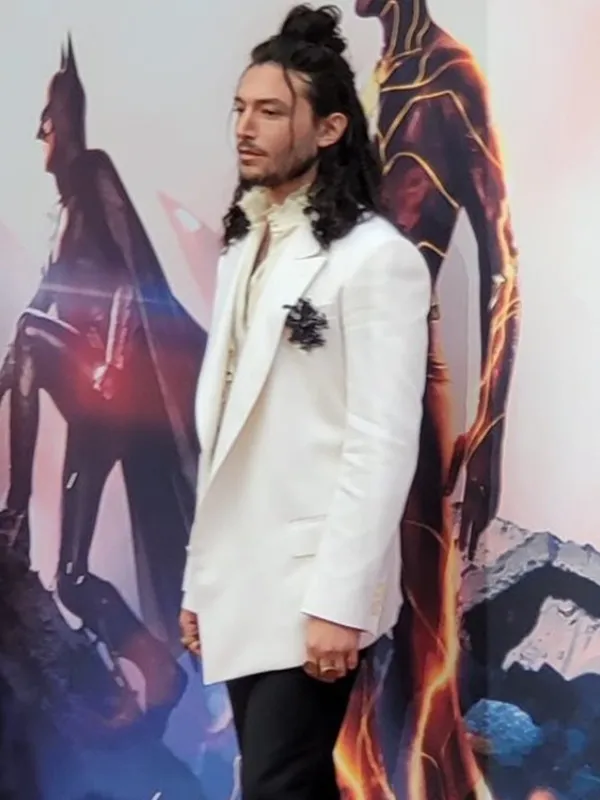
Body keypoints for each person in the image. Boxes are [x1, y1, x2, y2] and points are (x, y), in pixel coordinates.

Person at [180, 4, 430, 798]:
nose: (244, 128)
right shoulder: (243, 246)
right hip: (241, 581)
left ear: (328, 129)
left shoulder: (377, 259)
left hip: (313, 586)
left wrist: (340, 603)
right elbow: (226, 435)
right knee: (280, 782)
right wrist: (199, 584)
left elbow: (381, 442)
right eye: (240, 109)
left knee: (279, 783)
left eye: (269, 111)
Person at [0, 37, 206, 731]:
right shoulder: (60, 215)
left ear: (67, 121)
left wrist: (113, 358)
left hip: (118, 386)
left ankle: (14, 512)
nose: (40, 131)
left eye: (47, 117)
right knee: (71, 577)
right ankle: (158, 672)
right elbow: (33, 324)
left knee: (31, 332)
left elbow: (130, 278)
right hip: (96, 408)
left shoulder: (93, 174)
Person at [346, 1, 520, 796]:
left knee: (419, 616)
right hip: (336, 373)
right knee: (339, 601)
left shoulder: (448, 80)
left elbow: (502, 262)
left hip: (407, 373)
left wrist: (490, 427)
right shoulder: (375, 76)